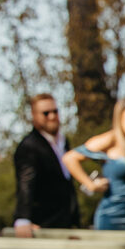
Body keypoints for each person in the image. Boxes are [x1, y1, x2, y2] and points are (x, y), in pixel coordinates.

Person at [63, 96, 125, 231]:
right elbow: (69, 158)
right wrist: (90, 184)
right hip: (112, 217)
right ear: (120, 117)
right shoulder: (110, 140)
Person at [12, 93, 79, 237]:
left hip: (67, 223)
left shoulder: (63, 141)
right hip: (43, 225)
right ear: (34, 115)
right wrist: (22, 218)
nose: (52, 116)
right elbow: (26, 183)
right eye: (46, 113)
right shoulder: (29, 146)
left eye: (55, 111)